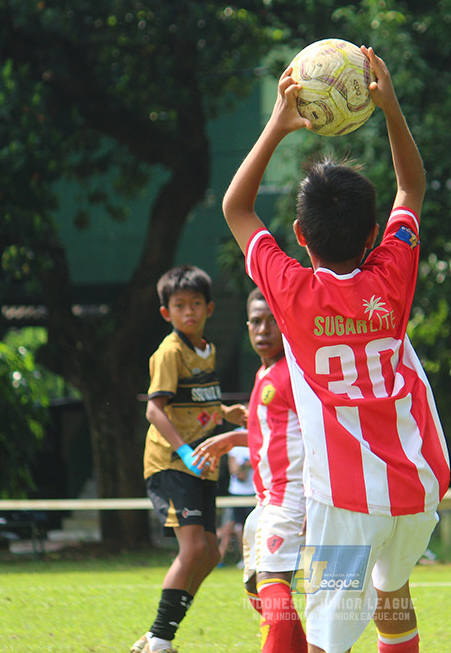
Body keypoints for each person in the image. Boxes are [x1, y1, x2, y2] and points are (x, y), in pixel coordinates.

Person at [222, 47, 450, 653]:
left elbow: (235, 208)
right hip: (419, 484)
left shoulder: (292, 293)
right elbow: (412, 186)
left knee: (328, 643)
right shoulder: (393, 274)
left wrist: (279, 121)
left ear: (299, 237)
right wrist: (390, 106)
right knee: (393, 593)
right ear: (374, 234)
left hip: (345, 502)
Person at [130, 265, 247, 653]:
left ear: (209, 308)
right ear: (167, 313)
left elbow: (197, 401)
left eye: (196, 304)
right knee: (194, 548)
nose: (189, 312)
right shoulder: (169, 352)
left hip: (201, 463)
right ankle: (160, 640)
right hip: (171, 462)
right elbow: (155, 410)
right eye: (180, 306)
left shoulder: (207, 350)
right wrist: (183, 450)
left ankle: (158, 634)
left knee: (211, 553)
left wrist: (228, 412)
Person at [193, 288, 308, 652]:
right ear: (247, 326)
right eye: (257, 321)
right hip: (268, 501)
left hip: (293, 500)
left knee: (274, 597)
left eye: (273, 320)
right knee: (258, 590)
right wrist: (233, 437)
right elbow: (274, 431)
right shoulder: (266, 373)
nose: (264, 329)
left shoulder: (296, 372)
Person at [216, 442, 254, 567]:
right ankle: (245, 559)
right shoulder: (234, 439)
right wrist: (244, 466)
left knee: (254, 527)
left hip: (254, 493)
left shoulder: (260, 432)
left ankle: (254, 558)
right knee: (238, 527)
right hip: (236, 494)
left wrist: (245, 466)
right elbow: (234, 470)